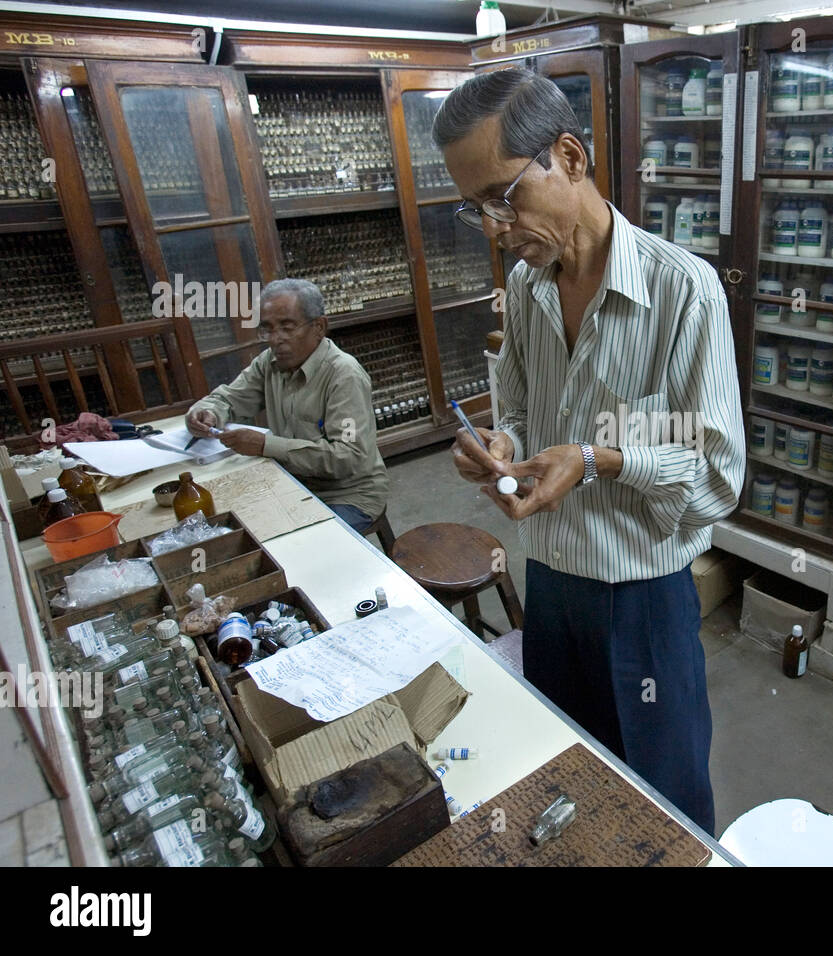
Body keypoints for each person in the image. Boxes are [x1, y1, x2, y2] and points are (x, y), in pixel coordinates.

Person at [435, 69, 746, 835]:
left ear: (569, 158)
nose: (496, 225)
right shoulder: (528, 283)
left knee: (662, 803)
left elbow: (716, 470)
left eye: (504, 197)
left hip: (638, 599)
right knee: (568, 777)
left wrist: (599, 456)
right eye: (474, 206)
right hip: (553, 585)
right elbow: (515, 402)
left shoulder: (685, 292)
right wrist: (499, 443)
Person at [184, 278, 389, 533]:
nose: (275, 339)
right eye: (267, 329)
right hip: (290, 482)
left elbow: (347, 457)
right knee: (228, 529)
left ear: (319, 327)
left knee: (296, 547)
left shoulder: (343, 376)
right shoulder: (268, 364)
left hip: (347, 495)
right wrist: (207, 412)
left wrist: (265, 445)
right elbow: (228, 398)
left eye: (287, 327)